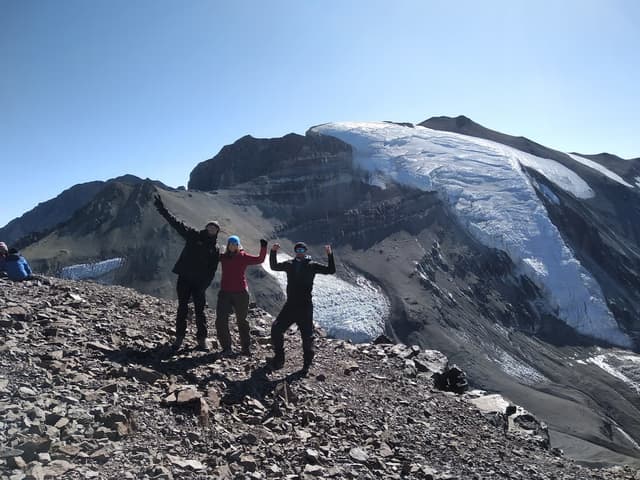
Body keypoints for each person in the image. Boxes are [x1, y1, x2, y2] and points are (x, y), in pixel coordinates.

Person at [154, 194, 220, 351]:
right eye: (210, 226)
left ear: (217, 232)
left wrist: (205, 285)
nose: (211, 229)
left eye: (215, 228)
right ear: (206, 227)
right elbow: (176, 224)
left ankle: (202, 339)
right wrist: (162, 210)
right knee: (182, 307)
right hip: (184, 278)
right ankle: (179, 338)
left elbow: (213, 269)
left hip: (199, 283)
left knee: (200, 310)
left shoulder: (215, 249)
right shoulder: (193, 235)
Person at [268, 242, 335, 372]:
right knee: (276, 329)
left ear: (305, 251)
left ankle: (307, 363)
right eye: (297, 249)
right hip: (291, 305)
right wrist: (273, 252)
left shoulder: (312, 266)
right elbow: (274, 266)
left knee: (307, 336)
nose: (300, 251)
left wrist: (330, 255)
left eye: (302, 249)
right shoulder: (289, 264)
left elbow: (331, 270)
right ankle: (279, 359)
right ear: (295, 251)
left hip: (305, 306)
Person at [216, 235, 267, 356]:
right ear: (228, 245)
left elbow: (259, 259)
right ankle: (226, 348)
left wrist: (264, 247)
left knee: (242, 321)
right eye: (231, 244)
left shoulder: (243, 257)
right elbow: (210, 256)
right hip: (225, 292)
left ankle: (245, 348)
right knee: (221, 321)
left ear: (238, 245)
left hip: (241, 293)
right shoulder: (223, 257)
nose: (232, 246)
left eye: (235, 244)